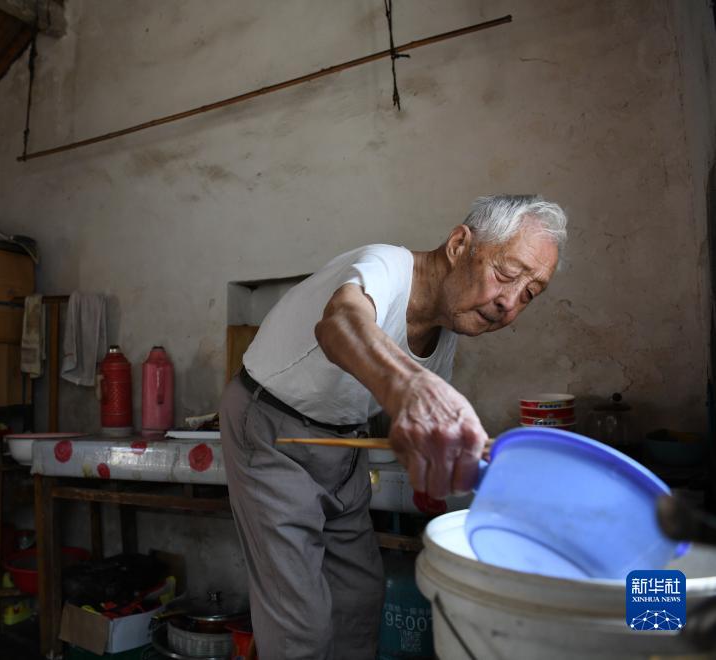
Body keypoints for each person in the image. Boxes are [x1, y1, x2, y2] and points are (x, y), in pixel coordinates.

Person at [219, 194, 567, 659]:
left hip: (343, 446)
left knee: (359, 598)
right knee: (300, 623)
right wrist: (411, 389)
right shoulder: (385, 266)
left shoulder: (443, 339)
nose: (509, 302)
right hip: (271, 430)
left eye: (529, 293)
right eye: (506, 273)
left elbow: (411, 425)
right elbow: (340, 325)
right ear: (459, 245)